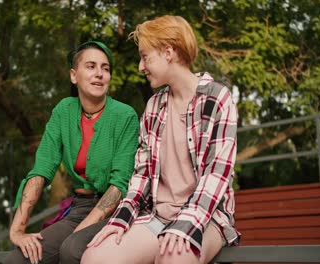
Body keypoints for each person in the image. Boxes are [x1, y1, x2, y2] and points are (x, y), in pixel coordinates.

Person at [82, 15, 240, 264]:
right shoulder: (154, 105)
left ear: (168, 52)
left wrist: (184, 225)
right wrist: (121, 219)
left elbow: (217, 175)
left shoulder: (217, 99)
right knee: (95, 257)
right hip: (158, 217)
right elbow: (141, 175)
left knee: (172, 257)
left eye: (145, 57)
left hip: (206, 217)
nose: (140, 67)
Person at [3, 41, 139, 264]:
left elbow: (119, 185)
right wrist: (17, 230)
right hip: (80, 208)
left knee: (72, 249)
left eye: (105, 69)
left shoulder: (125, 116)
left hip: (116, 211)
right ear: (74, 75)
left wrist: (81, 231)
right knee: (18, 260)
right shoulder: (63, 111)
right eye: (91, 66)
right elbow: (41, 170)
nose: (99, 74)